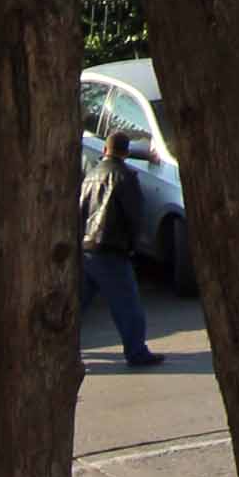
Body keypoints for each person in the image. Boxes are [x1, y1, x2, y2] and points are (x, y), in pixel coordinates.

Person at [79, 128, 161, 367]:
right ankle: (136, 352)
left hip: (87, 247)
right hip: (111, 247)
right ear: (126, 153)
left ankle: (58, 345)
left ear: (105, 149)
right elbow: (134, 216)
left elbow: (81, 210)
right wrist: (134, 245)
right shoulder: (126, 177)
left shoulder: (91, 174)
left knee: (77, 303)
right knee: (128, 305)